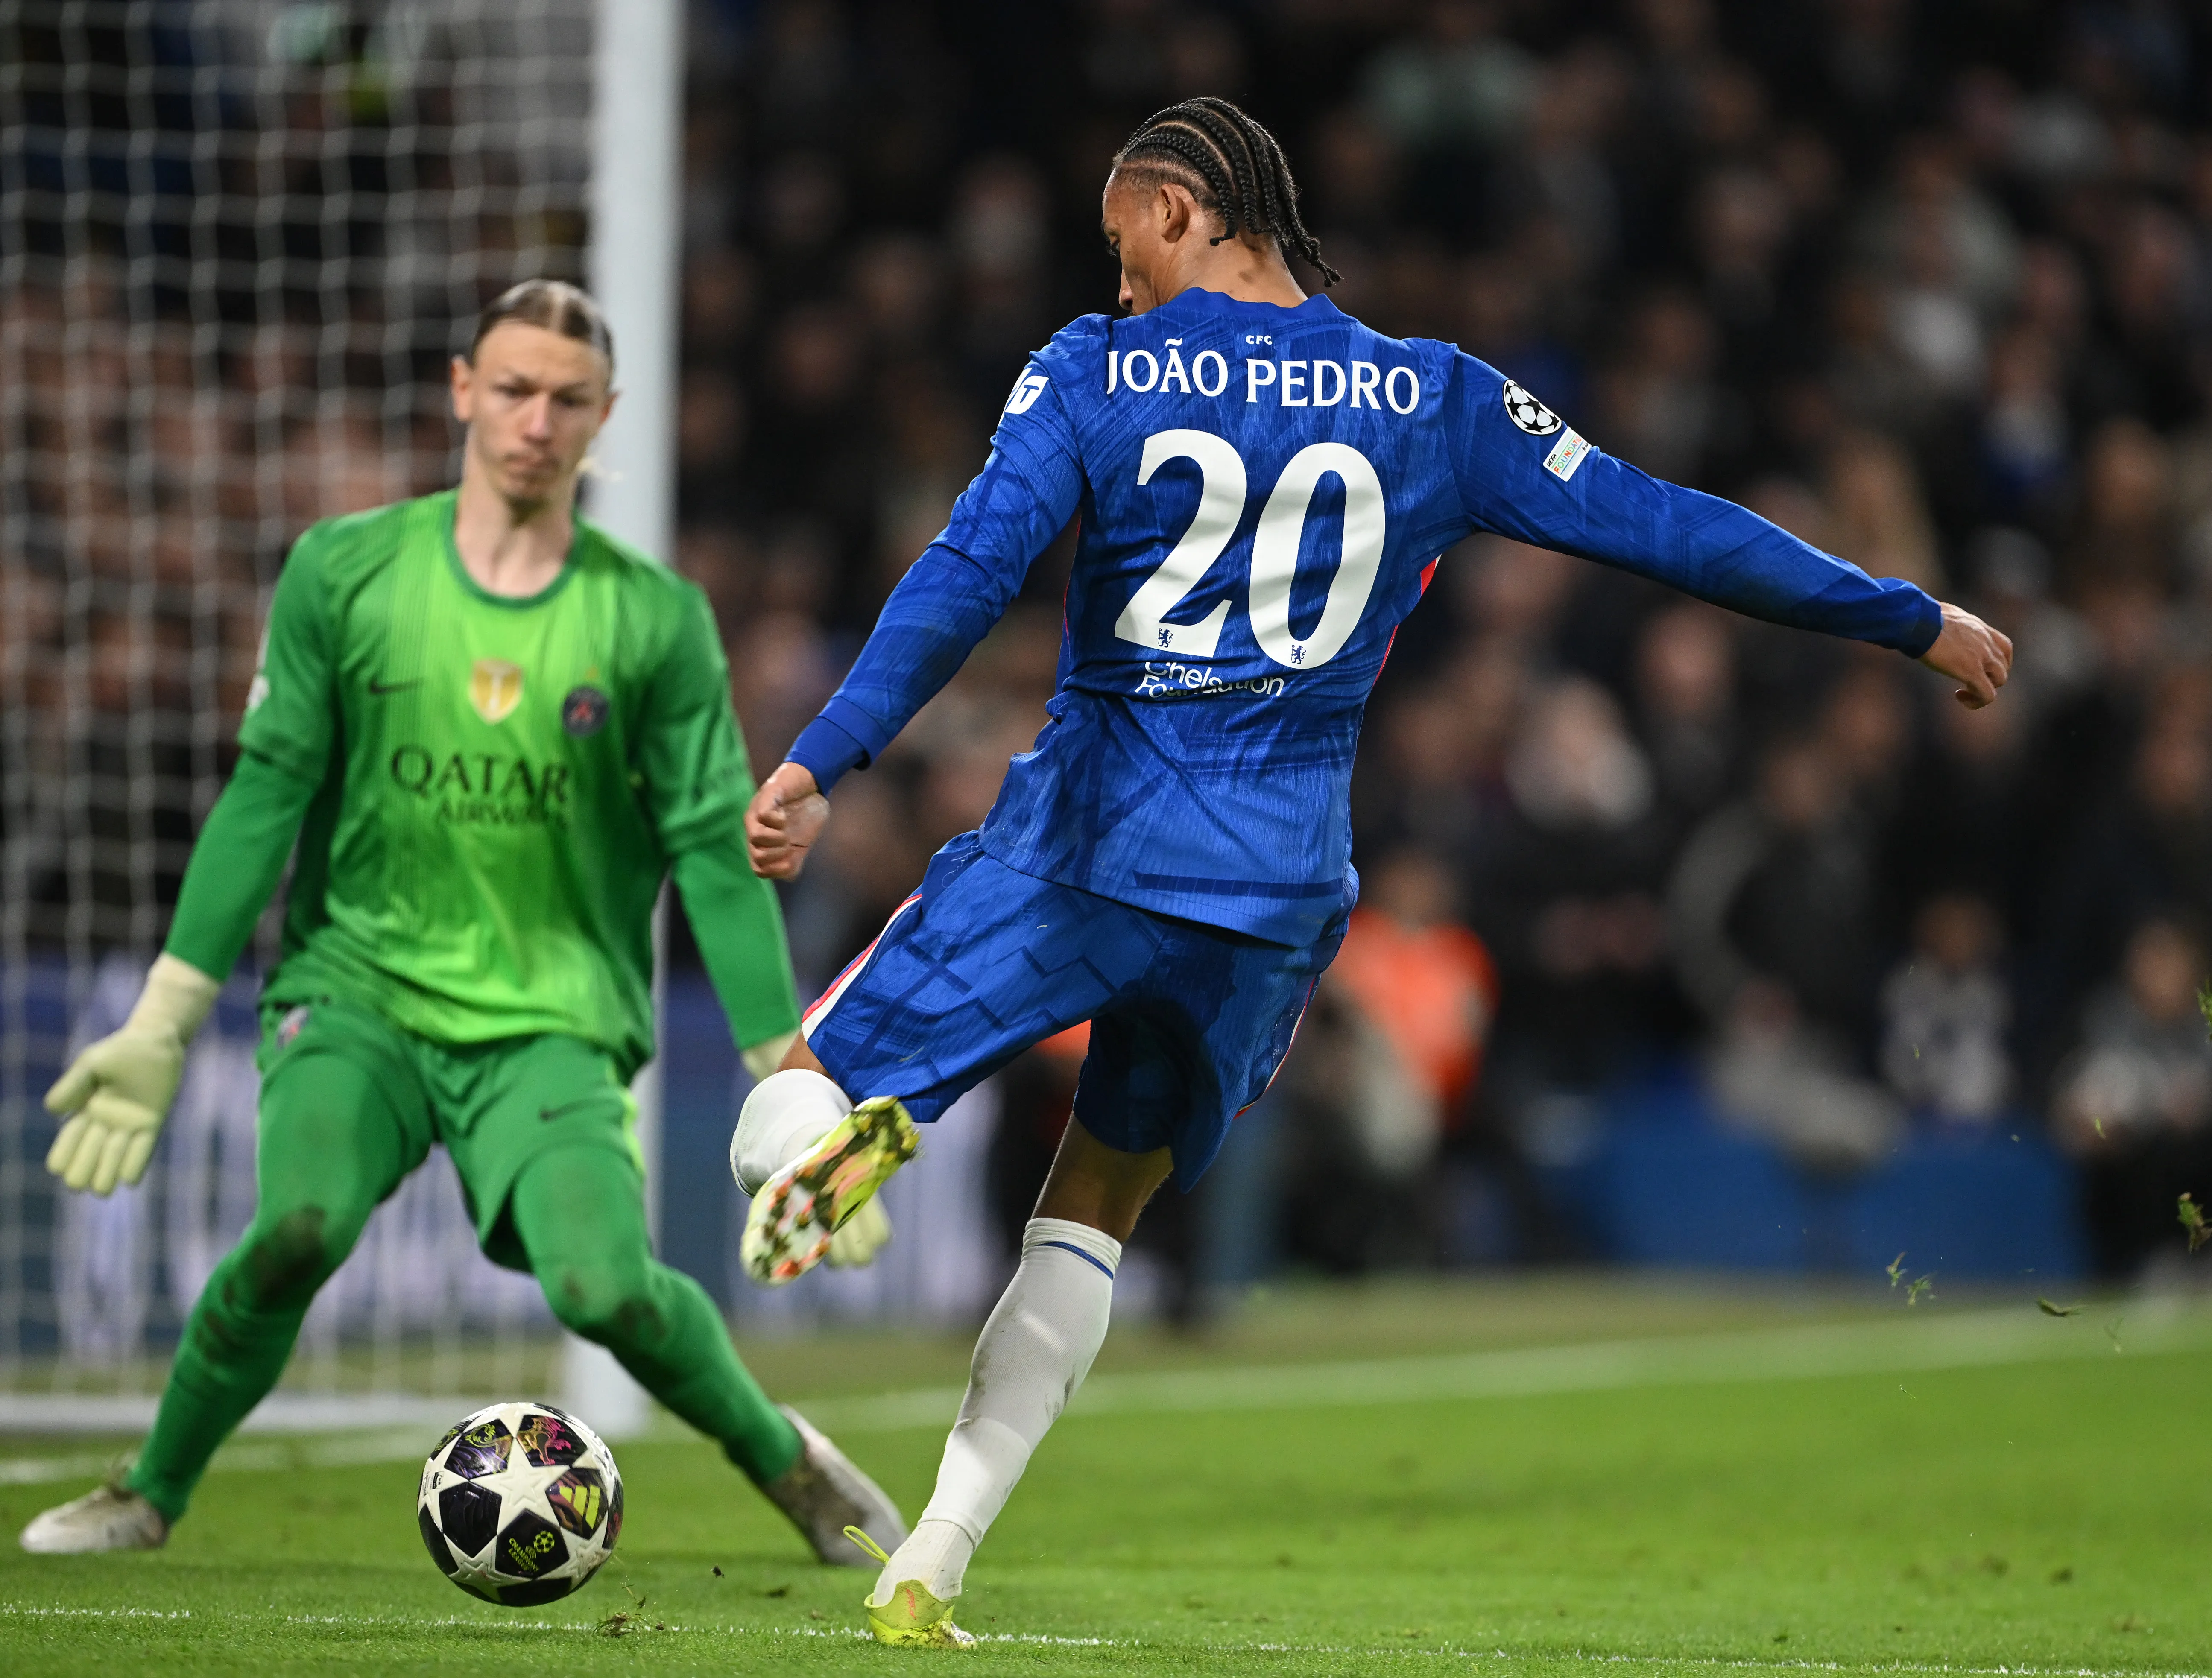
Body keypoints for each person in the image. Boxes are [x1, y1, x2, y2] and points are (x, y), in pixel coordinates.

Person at [729, 97, 2013, 1646]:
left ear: (1188, 211)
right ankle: (930, 1556)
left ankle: (831, 1160)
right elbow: (1668, 529)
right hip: (1272, 898)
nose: (1115, 276)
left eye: (1122, 237)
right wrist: (1902, 616)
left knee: (783, 1083)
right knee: (1094, 1210)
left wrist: (826, 751)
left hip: (1083, 846)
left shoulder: (1094, 367)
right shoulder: (1434, 398)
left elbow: (966, 571)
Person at [21, 280, 906, 1567]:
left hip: (549, 1016)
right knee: (300, 1230)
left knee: (602, 1288)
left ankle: (789, 1465)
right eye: (511, 389)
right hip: (357, 989)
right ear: (460, 392)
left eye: (564, 400)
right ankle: (149, 1491)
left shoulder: (651, 620)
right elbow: (266, 795)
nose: (535, 421)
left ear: (604, 419)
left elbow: (715, 862)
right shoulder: (347, 571)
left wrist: (796, 1088)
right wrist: (164, 1017)